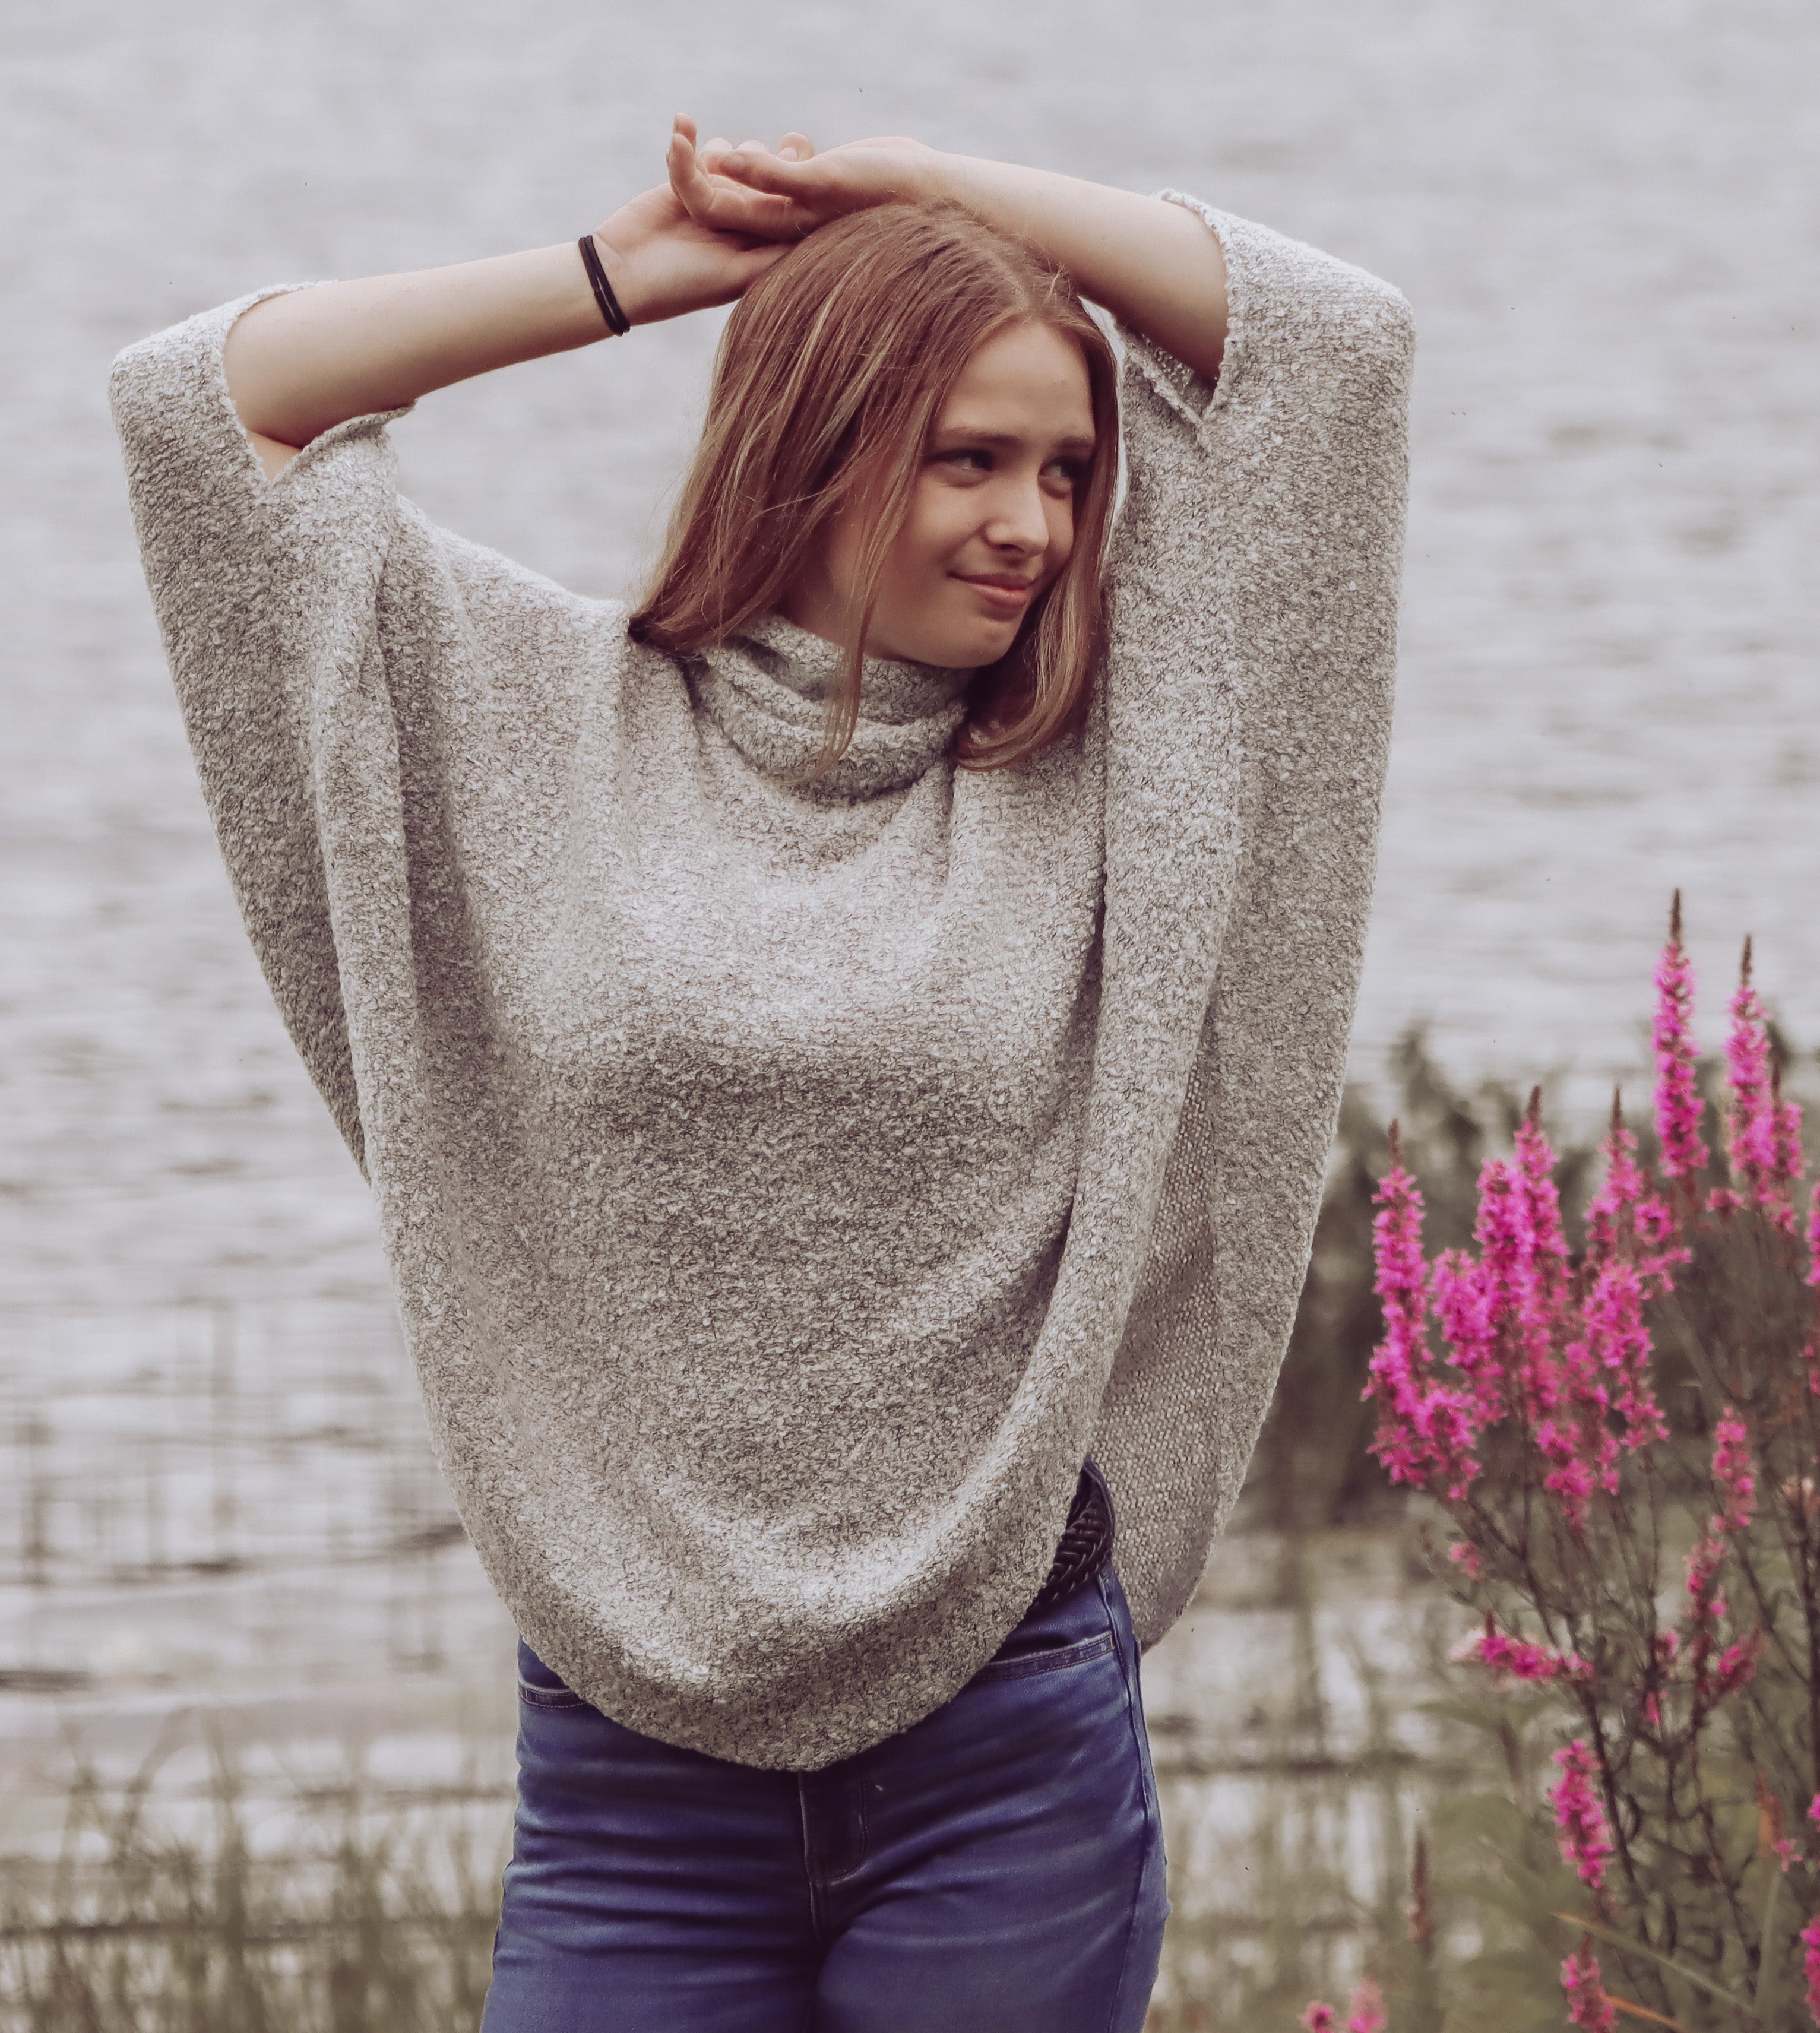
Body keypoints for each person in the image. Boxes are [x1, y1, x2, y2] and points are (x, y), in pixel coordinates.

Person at [110, 115, 1413, 2033]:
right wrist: (626, 274)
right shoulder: (534, 721)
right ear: (808, 448)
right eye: (967, 457)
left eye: (1065, 470)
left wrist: (924, 186)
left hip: (1006, 1738)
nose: (1033, 528)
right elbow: (197, 414)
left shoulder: (1118, 771)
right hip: (631, 1766)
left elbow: (1340, 350)